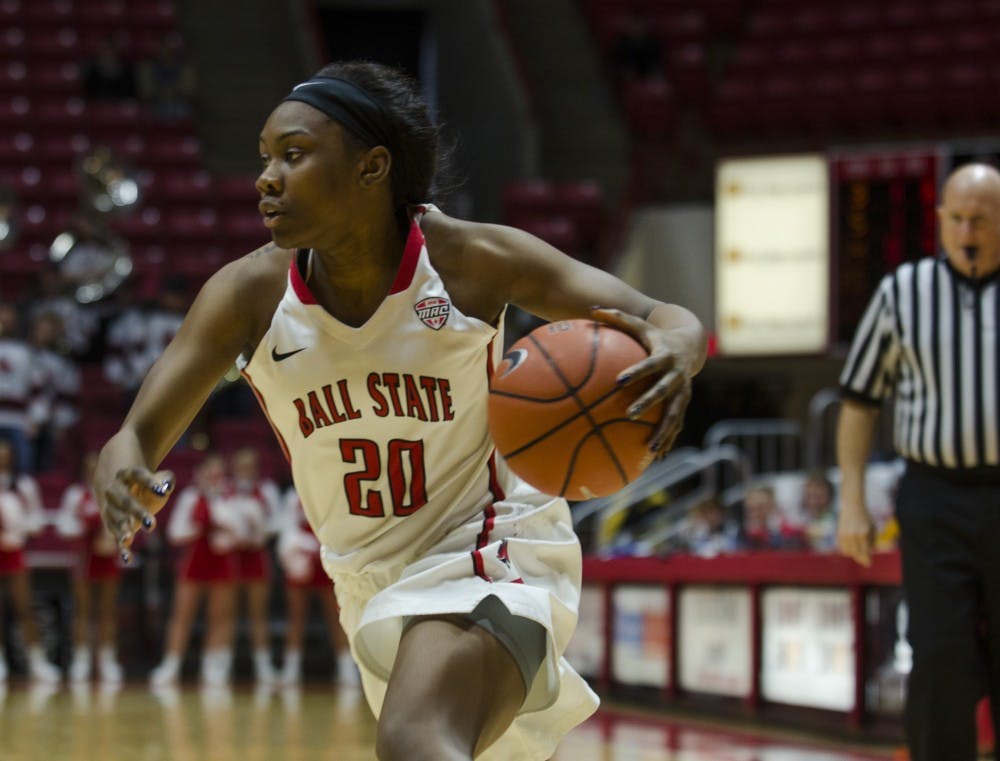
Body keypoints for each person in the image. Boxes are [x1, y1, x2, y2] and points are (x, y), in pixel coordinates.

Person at [93, 60, 705, 760]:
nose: (267, 178)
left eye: (293, 155)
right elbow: (136, 432)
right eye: (265, 158)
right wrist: (123, 469)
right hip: (363, 579)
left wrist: (678, 347)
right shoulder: (247, 295)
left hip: (490, 542)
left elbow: (661, 314)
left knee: (416, 741)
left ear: (372, 167)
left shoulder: (471, 260)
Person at [837, 162, 1000, 761]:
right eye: (955, 218)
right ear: (939, 221)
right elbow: (857, 405)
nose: (966, 231)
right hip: (934, 497)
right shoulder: (902, 292)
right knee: (939, 657)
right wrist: (851, 500)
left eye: (979, 220)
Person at [149, 453, 241, 687]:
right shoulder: (190, 497)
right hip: (194, 561)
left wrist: (222, 525)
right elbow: (174, 533)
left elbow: (241, 533)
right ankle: (171, 665)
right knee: (182, 615)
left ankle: (213, 667)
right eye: (209, 474)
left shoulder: (231, 497)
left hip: (222, 561)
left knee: (220, 616)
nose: (213, 478)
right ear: (200, 475)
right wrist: (198, 527)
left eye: (218, 474)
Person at [55, 451, 124, 683]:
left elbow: (124, 524)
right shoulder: (75, 494)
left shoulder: (115, 493)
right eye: (90, 468)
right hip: (84, 557)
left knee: (107, 610)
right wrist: (83, 527)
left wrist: (110, 536)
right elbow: (63, 524)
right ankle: (81, 659)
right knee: (82, 610)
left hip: (107, 556)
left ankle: (107, 659)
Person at [277, 487, 357, 686]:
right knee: (296, 617)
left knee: (337, 617)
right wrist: (298, 551)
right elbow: (287, 528)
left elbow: (339, 524)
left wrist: (320, 548)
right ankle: (291, 670)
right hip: (301, 559)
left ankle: (347, 670)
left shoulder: (331, 490)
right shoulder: (292, 496)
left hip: (327, 555)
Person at [0, 438, 60, 683]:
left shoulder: (24, 485)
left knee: (24, 606)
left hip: (14, 552)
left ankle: (37, 661)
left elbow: (37, 520)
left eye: (4, 452)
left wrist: (18, 528)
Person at [227, 446, 281, 684]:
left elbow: (277, 523)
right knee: (226, 614)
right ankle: (222, 667)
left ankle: (264, 667)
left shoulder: (267, 490)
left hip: (257, 557)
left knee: (258, 614)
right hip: (229, 558)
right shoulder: (226, 490)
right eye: (241, 466)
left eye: (250, 466)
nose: (245, 470)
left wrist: (259, 529)